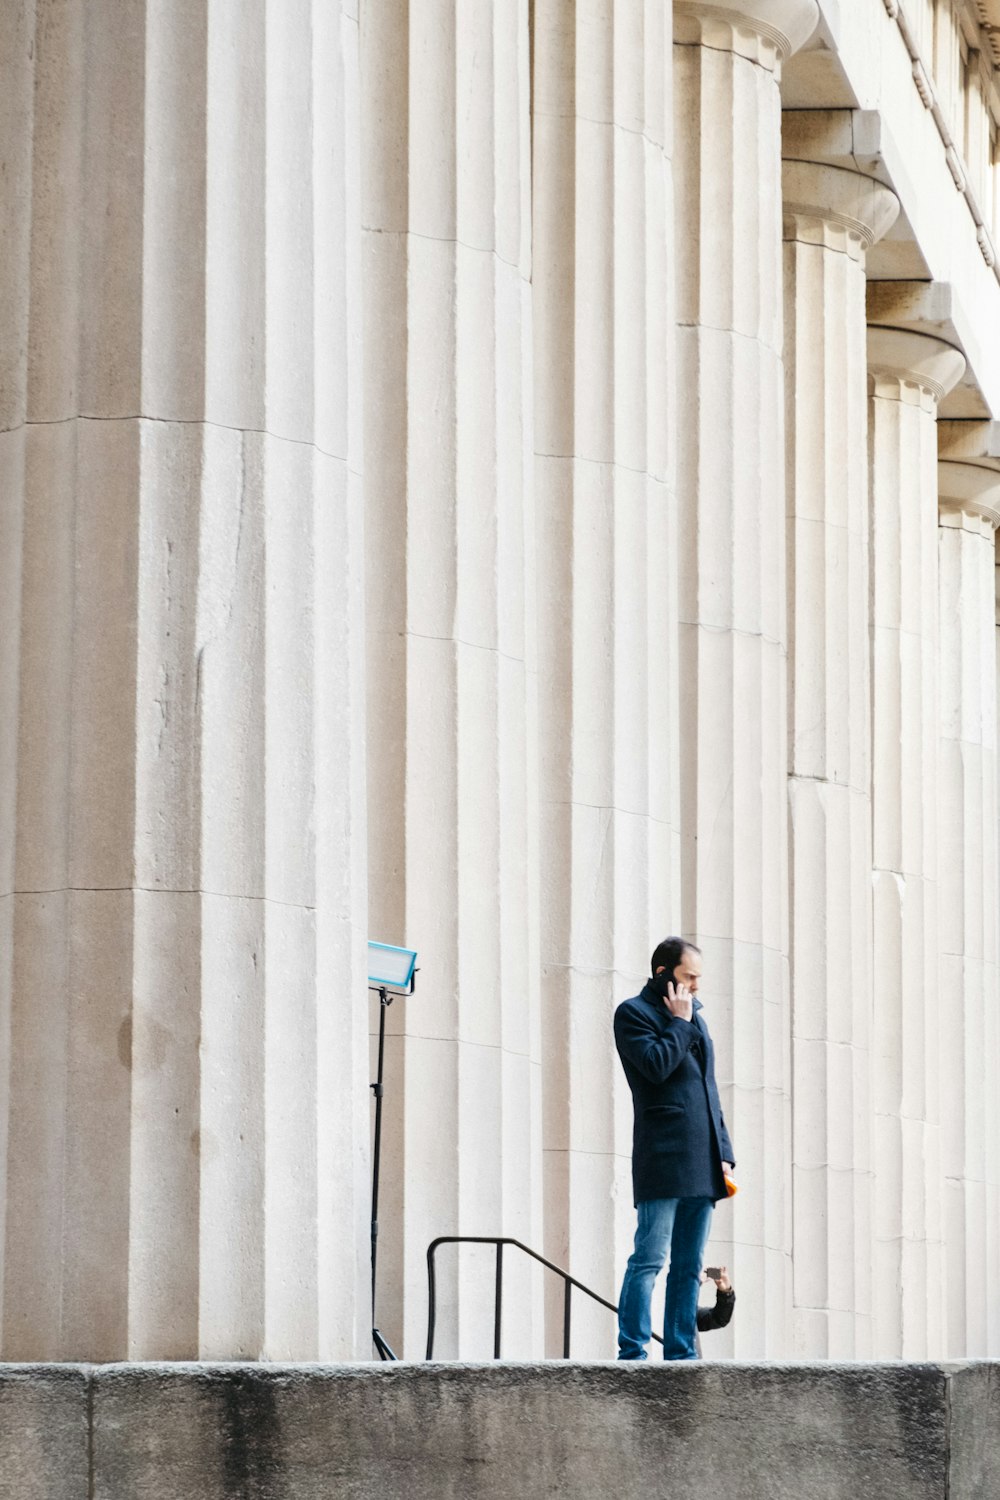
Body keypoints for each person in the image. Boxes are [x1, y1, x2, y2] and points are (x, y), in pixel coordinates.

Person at [614, 937, 735, 1360]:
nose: (696, 986)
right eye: (690, 976)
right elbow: (654, 1066)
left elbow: (709, 1089)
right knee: (650, 1257)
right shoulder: (634, 1013)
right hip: (663, 1156)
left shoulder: (695, 1018)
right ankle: (633, 1351)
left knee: (688, 1266)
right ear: (664, 973)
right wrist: (680, 1023)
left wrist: (724, 1150)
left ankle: (682, 1354)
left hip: (703, 1160)